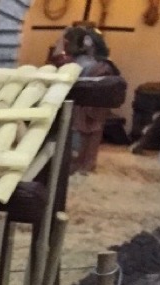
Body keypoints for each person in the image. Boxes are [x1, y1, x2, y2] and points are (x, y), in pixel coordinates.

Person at [50, 25, 121, 174]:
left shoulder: (101, 65)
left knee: (90, 133)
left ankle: (86, 164)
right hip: (81, 106)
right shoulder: (77, 61)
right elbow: (58, 59)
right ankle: (79, 163)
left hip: (91, 107)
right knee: (81, 134)